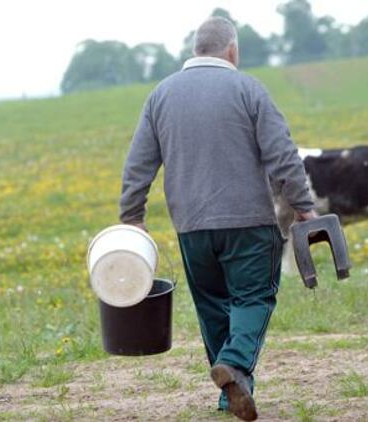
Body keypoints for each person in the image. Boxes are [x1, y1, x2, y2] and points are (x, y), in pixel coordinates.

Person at [118, 16, 316, 421]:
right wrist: (304, 206)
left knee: (213, 307)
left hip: (191, 227)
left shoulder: (161, 95)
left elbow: (138, 163)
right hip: (249, 223)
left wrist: (132, 216)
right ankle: (236, 364)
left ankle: (231, 394)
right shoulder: (248, 89)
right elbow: (282, 154)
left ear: (196, 50)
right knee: (254, 298)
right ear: (232, 50)